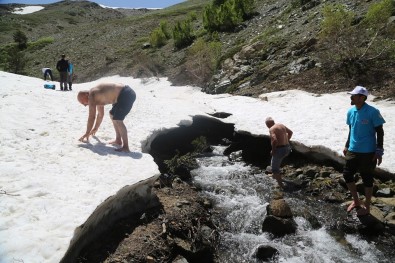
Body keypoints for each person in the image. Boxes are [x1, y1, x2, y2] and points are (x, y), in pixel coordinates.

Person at [343, 86, 385, 216]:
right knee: (347, 174)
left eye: (354, 95)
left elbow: (380, 132)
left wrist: (379, 150)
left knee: (367, 178)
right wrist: (346, 145)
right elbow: (351, 130)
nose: (351, 97)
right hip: (353, 149)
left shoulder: (372, 112)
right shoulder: (351, 112)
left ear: (362, 97)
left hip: (368, 151)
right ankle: (356, 201)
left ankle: (367, 206)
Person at [77, 83, 136, 152]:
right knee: (112, 115)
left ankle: (126, 147)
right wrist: (95, 128)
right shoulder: (96, 95)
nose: (84, 105)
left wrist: (87, 132)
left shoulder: (92, 95)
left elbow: (91, 116)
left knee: (118, 119)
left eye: (82, 102)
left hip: (125, 94)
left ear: (86, 95)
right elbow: (100, 115)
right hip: (123, 95)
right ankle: (118, 140)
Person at [265, 117, 293, 188]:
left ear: (268, 124)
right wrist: (286, 141)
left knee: (274, 169)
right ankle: (276, 175)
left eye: (266, 125)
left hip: (280, 150)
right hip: (287, 148)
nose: (267, 126)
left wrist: (273, 150)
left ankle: (281, 185)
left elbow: (274, 140)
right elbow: (290, 132)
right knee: (274, 162)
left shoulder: (271, 129)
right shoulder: (281, 125)